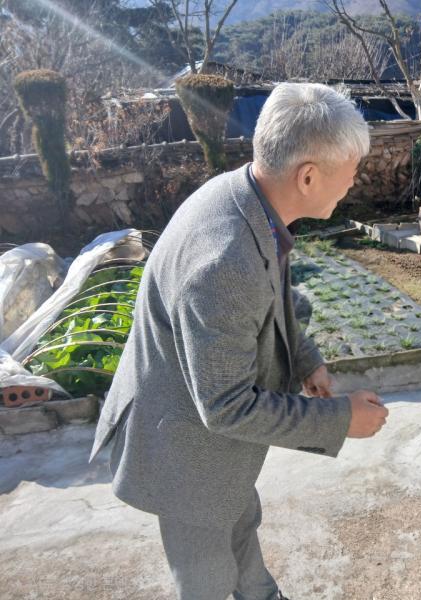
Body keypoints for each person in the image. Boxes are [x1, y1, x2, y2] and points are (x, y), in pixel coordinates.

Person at [90, 83, 389, 600]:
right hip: (183, 456)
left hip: (207, 450)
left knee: (243, 536)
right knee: (206, 580)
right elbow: (226, 408)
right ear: (309, 175)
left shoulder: (248, 198)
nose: (354, 182)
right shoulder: (225, 258)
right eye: (352, 169)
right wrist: (341, 420)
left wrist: (304, 357)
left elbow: (275, 294)